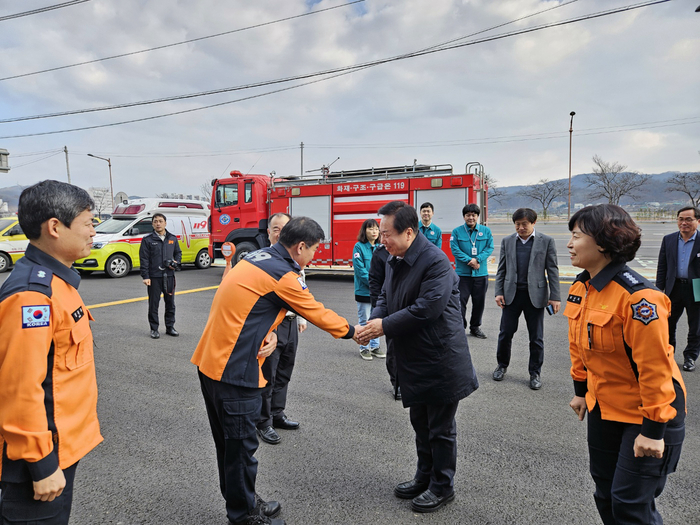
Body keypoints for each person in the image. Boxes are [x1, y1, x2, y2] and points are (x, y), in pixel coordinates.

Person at [192, 217, 361, 525]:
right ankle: (244, 515)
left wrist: (268, 330)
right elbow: (316, 312)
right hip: (235, 371)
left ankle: (242, 500)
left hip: (212, 362)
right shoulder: (284, 274)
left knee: (229, 446)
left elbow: (250, 304)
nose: (315, 256)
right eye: (314, 250)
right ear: (299, 247)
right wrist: (354, 331)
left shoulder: (258, 256)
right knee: (241, 448)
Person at [565, 204, 686, 525]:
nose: (569, 244)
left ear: (603, 242)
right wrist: (580, 392)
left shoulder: (639, 298)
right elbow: (579, 348)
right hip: (604, 407)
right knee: (605, 493)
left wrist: (653, 430)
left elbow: (656, 368)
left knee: (630, 504)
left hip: (647, 414)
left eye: (576, 236)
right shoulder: (581, 287)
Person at [360, 201, 478, 514]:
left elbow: (427, 309)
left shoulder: (435, 261)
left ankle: (442, 486)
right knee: (420, 424)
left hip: (439, 359)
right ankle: (423, 476)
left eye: (387, 234)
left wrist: (382, 326)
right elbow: (385, 296)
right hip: (412, 358)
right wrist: (376, 320)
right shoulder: (392, 257)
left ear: (409, 232)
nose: (382, 240)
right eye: (381, 233)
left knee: (440, 429)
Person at [0, 180, 103, 525]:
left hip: (62, 445)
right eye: (88, 222)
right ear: (55, 227)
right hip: (37, 461)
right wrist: (42, 465)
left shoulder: (59, 283)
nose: (93, 231)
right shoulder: (33, 296)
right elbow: (18, 390)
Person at [493, 208, 560, 390]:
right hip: (511, 296)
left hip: (535, 296)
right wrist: (498, 292)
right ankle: (502, 366)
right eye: (517, 224)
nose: (521, 228)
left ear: (533, 223)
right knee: (505, 334)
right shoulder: (508, 241)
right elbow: (502, 269)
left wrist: (555, 296)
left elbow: (552, 270)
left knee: (536, 338)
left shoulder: (546, 241)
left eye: (524, 224)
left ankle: (535, 373)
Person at [256, 213, 308, 446]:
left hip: (290, 323)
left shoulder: (295, 258)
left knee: (284, 372)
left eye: (284, 228)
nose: (280, 232)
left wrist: (300, 318)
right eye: (275, 228)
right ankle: (263, 422)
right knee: (267, 376)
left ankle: (277, 414)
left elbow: (301, 288)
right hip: (271, 327)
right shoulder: (263, 259)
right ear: (268, 232)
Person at [655, 206, 700, 372]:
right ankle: (668, 354)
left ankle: (690, 357)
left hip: (696, 289)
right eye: (681, 219)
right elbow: (662, 266)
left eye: (689, 219)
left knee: (695, 326)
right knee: (667, 324)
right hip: (673, 288)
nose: (684, 223)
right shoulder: (669, 240)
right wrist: (659, 291)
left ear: (698, 221)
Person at [449, 204, 494, 338]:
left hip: (481, 274)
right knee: (460, 302)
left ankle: (475, 327)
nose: (471, 217)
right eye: (468, 215)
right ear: (464, 217)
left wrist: (478, 259)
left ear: (477, 217)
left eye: (474, 215)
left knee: (479, 303)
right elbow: (455, 249)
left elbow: (489, 247)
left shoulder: (486, 231)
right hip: (463, 274)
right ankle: (460, 327)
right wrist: (470, 260)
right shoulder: (457, 232)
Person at [139, 213, 182, 339]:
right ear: (152, 224)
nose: (158, 223)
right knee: (154, 304)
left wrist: (176, 262)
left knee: (170, 303)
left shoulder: (172, 238)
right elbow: (144, 259)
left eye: (160, 221)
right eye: (155, 221)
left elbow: (178, 253)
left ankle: (170, 327)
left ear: (165, 223)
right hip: (154, 277)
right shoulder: (148, 240)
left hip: (169, 276)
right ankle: (154, 329)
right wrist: (145, 276)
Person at [369, 243, 398, 398]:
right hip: (389, 306)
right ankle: (396, 383)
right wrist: (377, 311)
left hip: (408, 307)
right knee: (393, 348)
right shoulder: (380, 253)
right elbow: (375, 281)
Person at [353, 218, 383, 360]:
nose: (374, 231)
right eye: (371, 228)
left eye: (376, 228)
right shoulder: (359, 247)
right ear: (365, 231)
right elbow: (360, 270)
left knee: (376, 319)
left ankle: (375, 346)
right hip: (364, 291)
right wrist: (374, 283)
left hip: (378, 291)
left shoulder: (381, 247)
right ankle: (364, 347)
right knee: (364, 320)